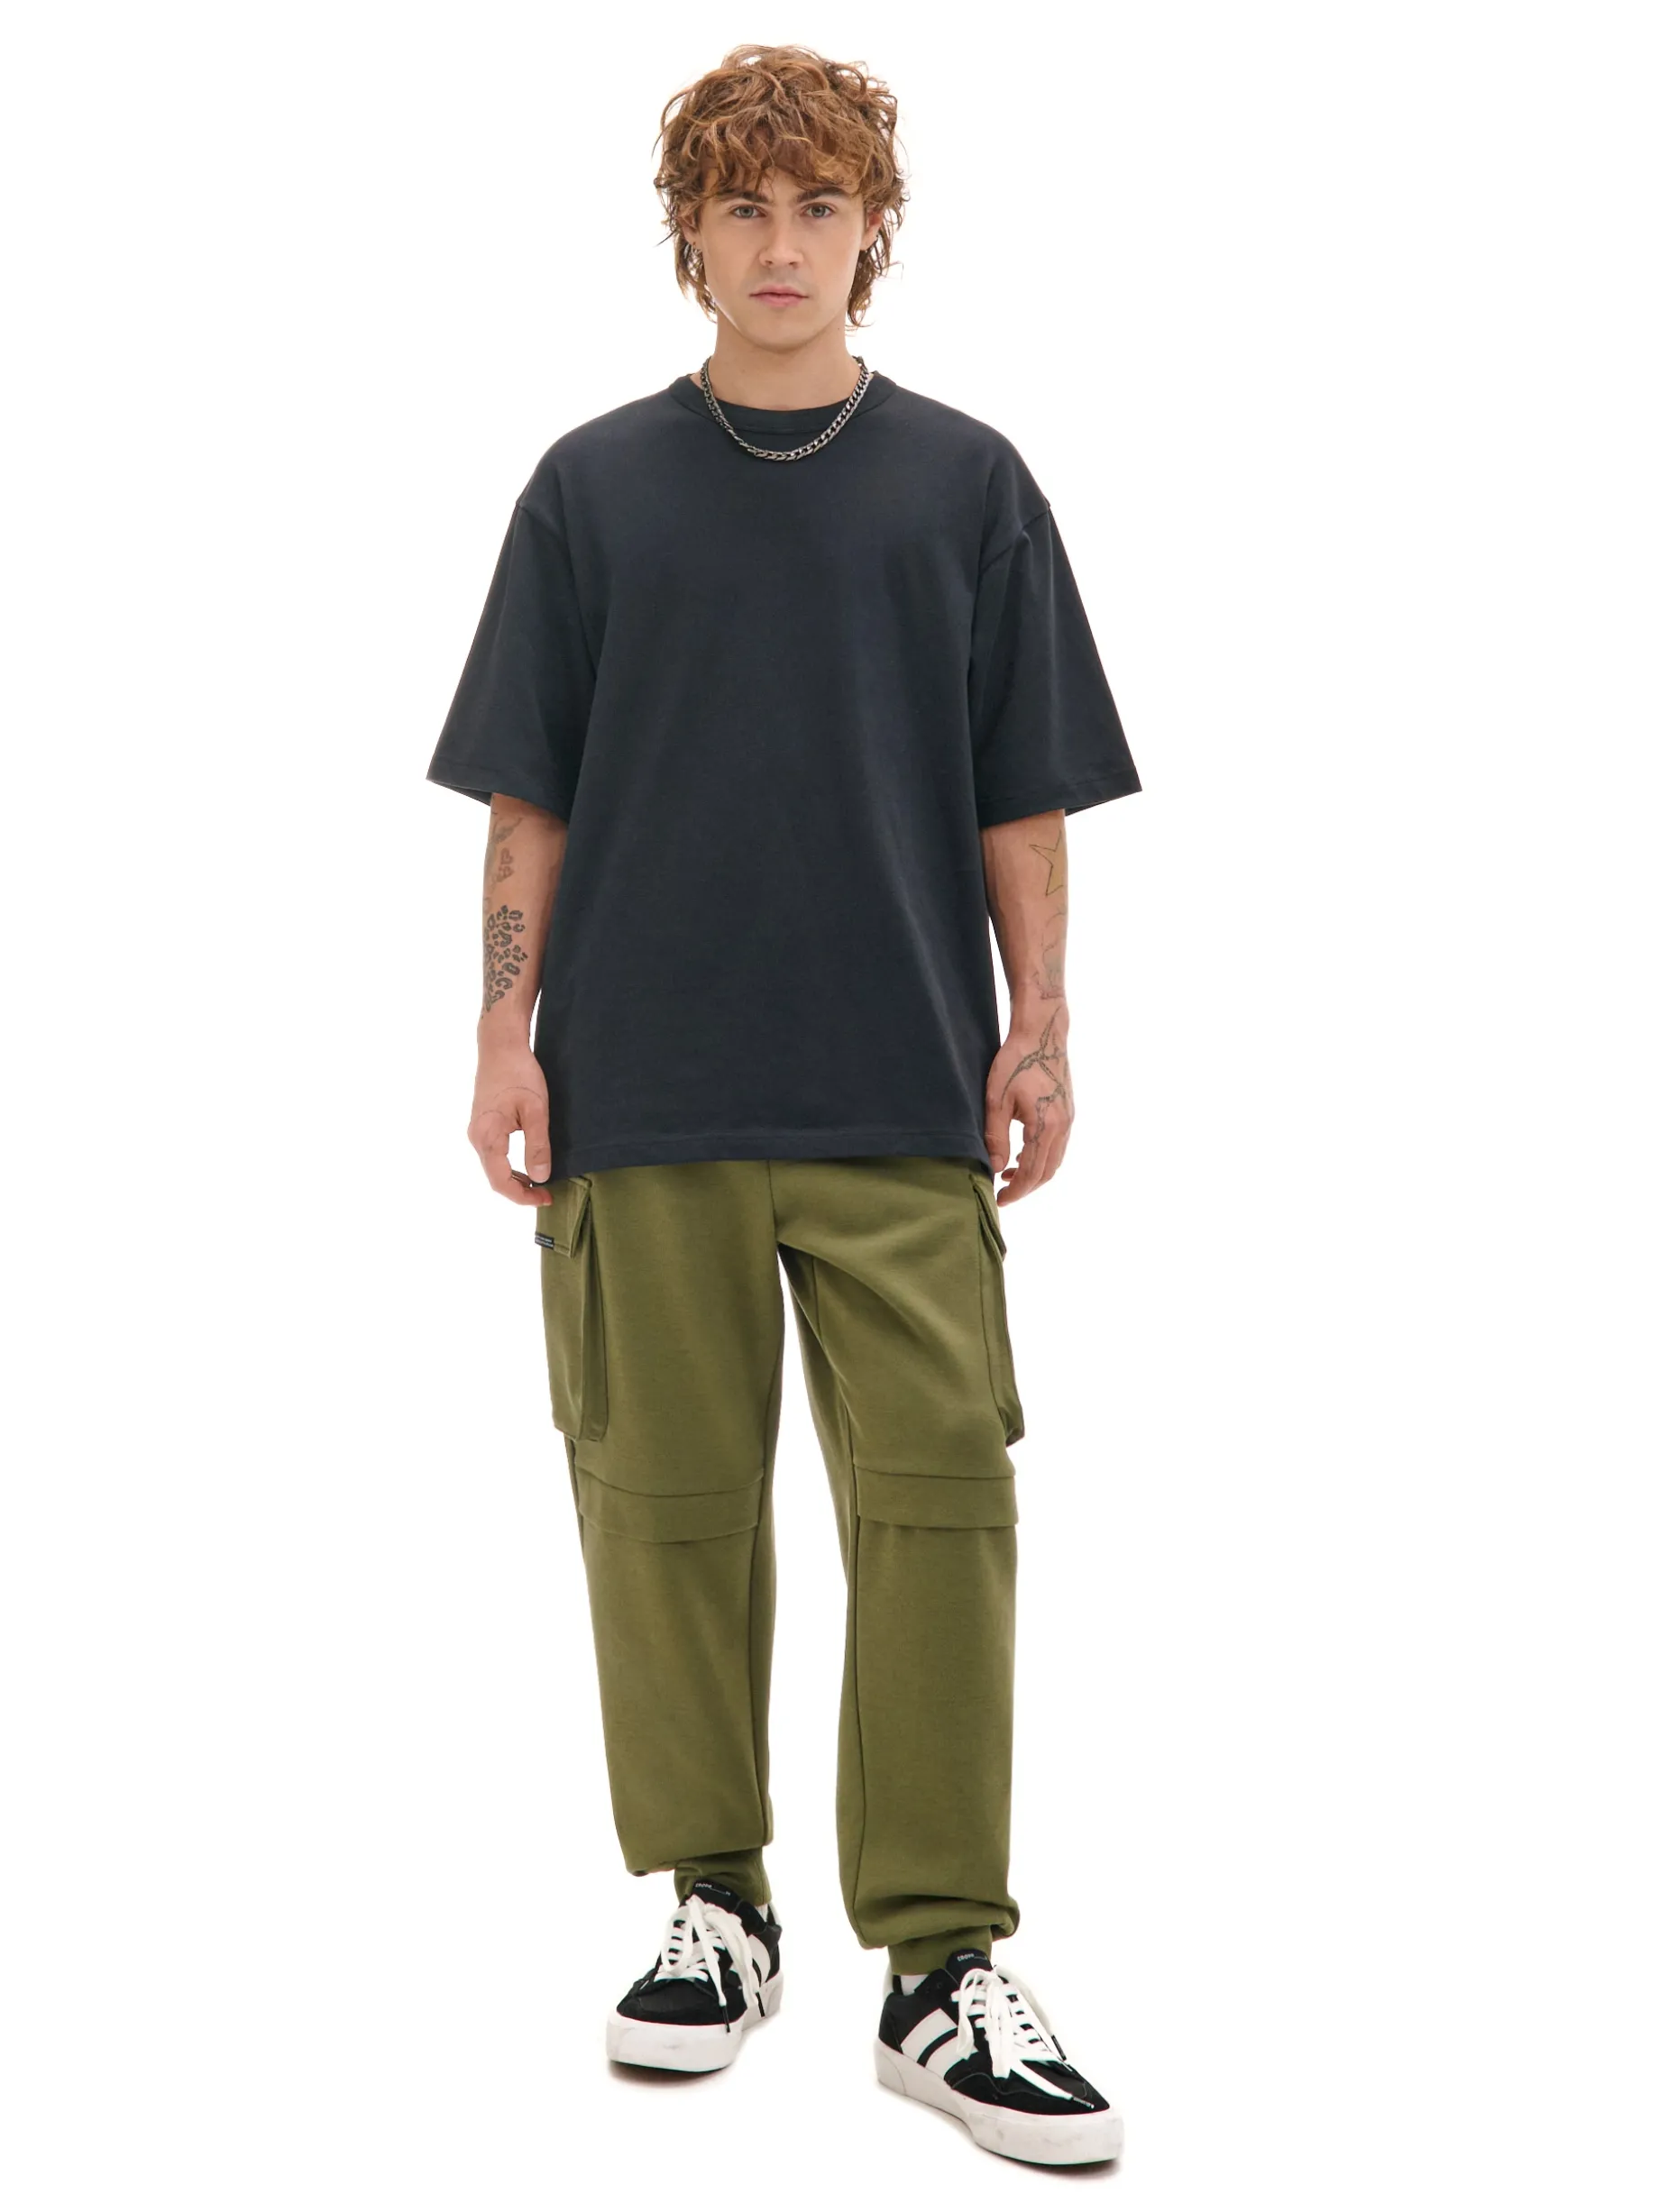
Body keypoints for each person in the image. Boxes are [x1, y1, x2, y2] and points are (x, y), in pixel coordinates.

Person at [426, 43, 1141, 2168]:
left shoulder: (967, 486)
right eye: (739, 206)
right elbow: (528, 799)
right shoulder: (589, 492)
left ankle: (938, 1963)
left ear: (869, 230)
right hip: (640, 1085)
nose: (777, 243)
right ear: (687, 233)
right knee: (660, 1505)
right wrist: (501, 1030)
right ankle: (711, 1908)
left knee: (939, 1506)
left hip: (895, 1086)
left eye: (816, 205)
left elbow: (1020, 790)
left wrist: (1040, 1023)